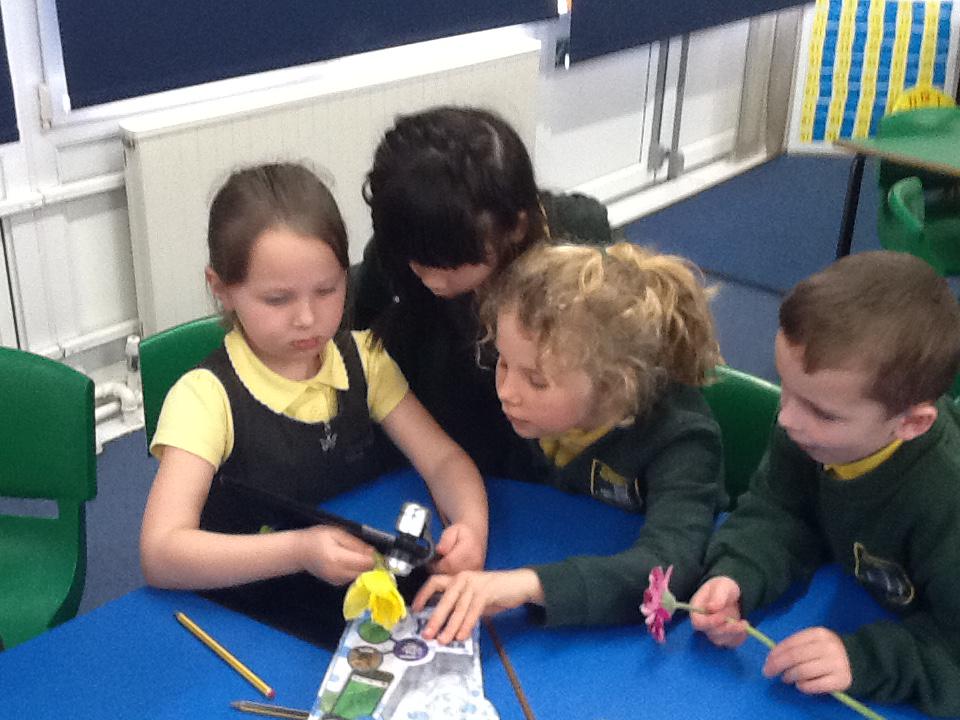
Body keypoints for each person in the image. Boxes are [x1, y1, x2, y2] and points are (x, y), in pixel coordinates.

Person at [140, 163, 488, 645]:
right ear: (221, 289)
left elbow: (443, 460)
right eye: (277, 299)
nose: (307, 318)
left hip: (350, 607)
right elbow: (160, 553)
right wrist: (299, 550)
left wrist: (471, 528)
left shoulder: (365, 359)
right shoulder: (204, 397)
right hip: (248, 618)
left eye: (327, 290)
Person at [410, 241, 726, 641]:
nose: (507, 391)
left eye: (536, 380)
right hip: (543, 542)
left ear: (612, 387)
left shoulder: (682, 440)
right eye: (503, 362)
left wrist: (527, 585)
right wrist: (467, 531)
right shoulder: (530, 407)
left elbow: (667, 570)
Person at [690, 251, 960, 717]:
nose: (787, 418)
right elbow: (780, 511)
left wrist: (863, 660)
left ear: (912, 423)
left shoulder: (945, 499)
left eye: (823, 413)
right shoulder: (810, 433)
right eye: (786, 388)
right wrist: (738, 574)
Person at [351, 105, 614, 476]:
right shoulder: (403, 243)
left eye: (454, 262)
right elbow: (358, 324)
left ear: (516, 227)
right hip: (431, 441)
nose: (434, 280)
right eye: (419, 261)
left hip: (540, 445)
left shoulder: (578, 251)